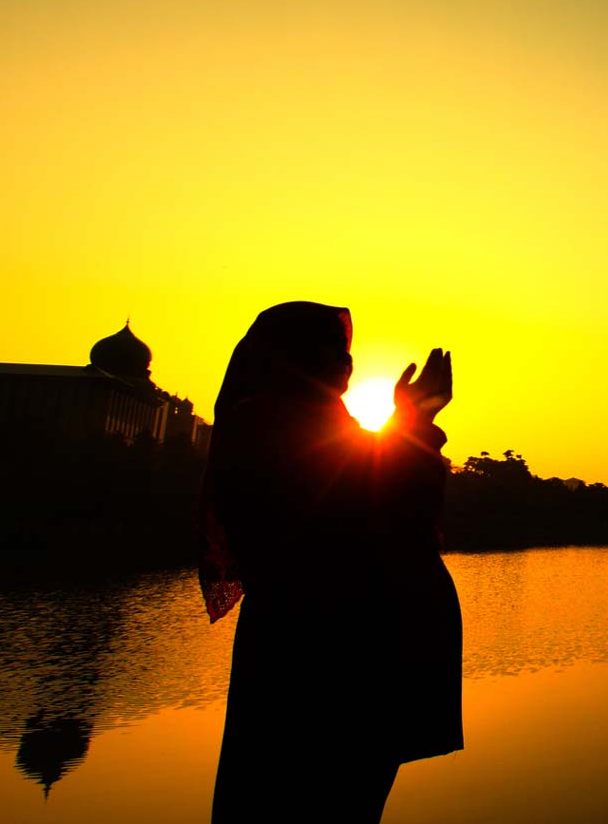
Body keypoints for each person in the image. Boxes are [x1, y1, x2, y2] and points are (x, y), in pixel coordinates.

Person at [198, 301, 461, 823]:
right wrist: (416, 419)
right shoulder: (272, 425)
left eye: (346, 353)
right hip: (324, 661)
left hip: (341, 657)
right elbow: (383, 507)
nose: (345, 364)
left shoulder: (302, 423)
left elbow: (384, 497)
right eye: (332, 351)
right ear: (289, 358)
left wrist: (413, 420)